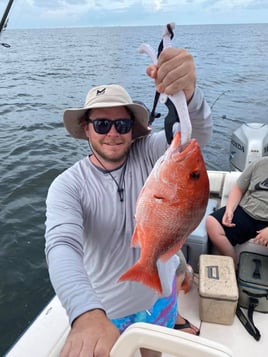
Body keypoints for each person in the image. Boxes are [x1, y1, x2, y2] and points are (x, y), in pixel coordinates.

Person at [45, 47, 212, 357]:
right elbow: (61, 245)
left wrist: (188, 95)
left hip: (161, 298)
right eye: (101, 124)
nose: (113, 134)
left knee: (154, 353)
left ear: (132, 129)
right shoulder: (68, 186)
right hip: (107, 313)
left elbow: (194, 135)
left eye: (122, 125)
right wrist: (85, 312)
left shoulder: (151, 153)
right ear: (86, 128)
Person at [206, 157, 268, 267]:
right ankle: (232, 262)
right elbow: (239, 188)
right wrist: (229, 209)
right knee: (212, 222)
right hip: (247, 212)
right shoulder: (259, 163)